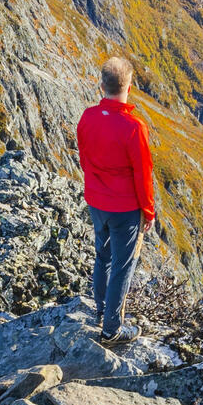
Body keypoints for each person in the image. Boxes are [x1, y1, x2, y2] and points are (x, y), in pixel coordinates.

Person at [75, 54, 156, 343]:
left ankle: (100, 310)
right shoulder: (134, 127)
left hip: (97, 202)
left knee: (103, 255)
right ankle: (111, 329)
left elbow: (84, 158)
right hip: (125, 208)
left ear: (102, 86)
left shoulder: (88, 117)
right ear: (129, 87)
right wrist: (148, 211)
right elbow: (143, 174)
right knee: (123, 264)